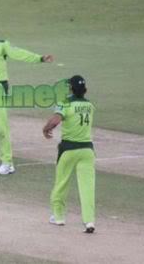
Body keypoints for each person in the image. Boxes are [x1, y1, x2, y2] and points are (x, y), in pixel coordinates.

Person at [0, 22, 54, 175]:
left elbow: (19, 54)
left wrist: (39, 58)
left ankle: (8, 162)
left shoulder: (1, 46)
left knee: (1, 127)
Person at [42, 75, 96, 233]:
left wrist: (46, 129)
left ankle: (58, 217)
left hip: (68, 149)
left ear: (71, 88)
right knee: (87, 187)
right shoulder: (90, 106)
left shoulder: (65, 103)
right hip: (87, 150)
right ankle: (89, 221)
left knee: (61, 183)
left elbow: (55, 120)